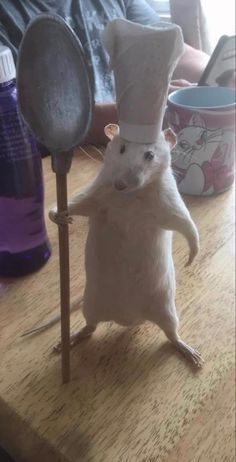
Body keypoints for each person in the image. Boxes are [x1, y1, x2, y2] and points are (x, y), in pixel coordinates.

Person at [0, 0, 209, 145]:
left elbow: (168, 47)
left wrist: (216, 74)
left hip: (132, 143)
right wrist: (146, 113)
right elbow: (22, 121)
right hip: (65, 166)